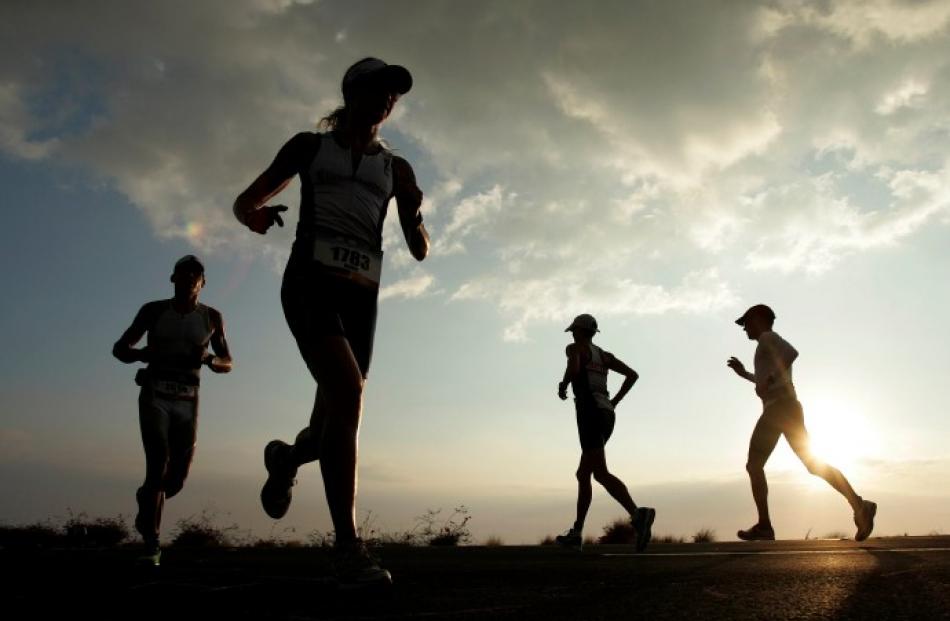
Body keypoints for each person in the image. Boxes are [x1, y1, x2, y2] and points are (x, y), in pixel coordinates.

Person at [233, 57, 429, 586]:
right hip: (310, 284)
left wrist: (413, 212)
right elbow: (245, 200)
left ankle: (286, 460)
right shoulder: (309, 147)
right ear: (350, 91)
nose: (389, 98)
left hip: (361, 298)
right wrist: (253, 215)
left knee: (331, 425)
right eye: (379, 88)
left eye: (395, 93)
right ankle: (347, 547)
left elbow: (419, 250)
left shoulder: (397, 169)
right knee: (347, 392)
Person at [112, 255, 233, 565]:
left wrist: (209, 359)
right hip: (156, 393)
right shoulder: (153, 311)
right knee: (157, 463)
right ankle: (151, 545)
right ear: (172, 278)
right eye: (183, 272)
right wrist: (142, 355)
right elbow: (120, 349)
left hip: (189, 398)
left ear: (203, 283)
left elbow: (227, 362)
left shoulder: (212, 317)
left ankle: (147, 499)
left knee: (175, 479)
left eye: (196, 273)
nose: (189, 276)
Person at [727, 304, 876, 541]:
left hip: (778, 409)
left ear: (757, 319)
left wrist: (771, 379)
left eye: (746, 323)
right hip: (788, 408)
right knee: (812, 464)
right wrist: (745, 374)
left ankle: (765, 526)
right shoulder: (765, 345)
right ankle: (859, 505)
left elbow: (791, 353)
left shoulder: (767, 337)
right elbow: (765, 379)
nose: (744, 329)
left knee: (754, 466)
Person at [555, 314, 655, 551]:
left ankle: (638, 514)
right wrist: (615, 401)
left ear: (579, 331)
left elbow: (575, 365)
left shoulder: (574, 348)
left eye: (573, 330)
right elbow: (633, 375)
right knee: (584, 473)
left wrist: (564, 384)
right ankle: (577, 532)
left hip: (589, 411)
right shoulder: (604, 355)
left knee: (599, 473)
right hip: (607, 414)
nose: (571, 334)